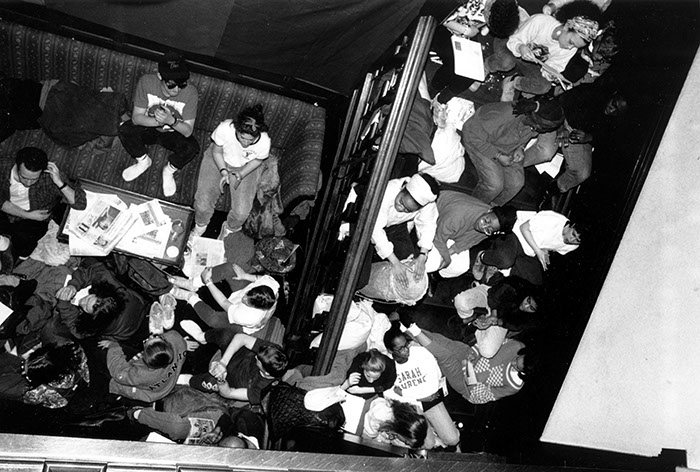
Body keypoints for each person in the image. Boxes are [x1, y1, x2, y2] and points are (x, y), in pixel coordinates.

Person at [523, 82, 629, 208]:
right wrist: (561, 127)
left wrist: (589, 137)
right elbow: (559, 103)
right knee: (546, 152)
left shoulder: (615, 119)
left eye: (617, 112)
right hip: (559, 119)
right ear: (613, 95)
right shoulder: (591, 91)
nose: (612, 110)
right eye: (614, 105)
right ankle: (514, 163)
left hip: (576, 135)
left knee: (582, 173)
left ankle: (549, 191)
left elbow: (606, 139)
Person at [119, 51, 200, 197]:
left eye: (181, 85)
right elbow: (137, 118)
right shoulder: (147, 81)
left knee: (192, 147)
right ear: (160, 77)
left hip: (173, 133)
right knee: (125, 129)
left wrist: (171, 121)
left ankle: (168, 170)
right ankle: (143, 161)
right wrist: (158, 121)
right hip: (149, 127)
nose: (176, 90)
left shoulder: (191, 92)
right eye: (171, 85)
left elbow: (188, 131)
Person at [190, 104, 271, 243]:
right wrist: (224, 171)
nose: (245, 143)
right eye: (242, 137)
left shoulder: (264, 141)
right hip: (218, 158)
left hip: (246, 165)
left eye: (250, 140)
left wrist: (240, 174)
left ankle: (227, 231)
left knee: (241, 214)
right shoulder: (225, 128)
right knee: (202, 203)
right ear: (237, 129)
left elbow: (258, 160)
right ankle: (200, 228)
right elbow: (216, 151)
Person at [462, 98, 564, 206]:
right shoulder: (503, 115)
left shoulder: (533, 121)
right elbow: (471, 133)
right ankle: (472, 207)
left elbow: (525, 136)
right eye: (540, 128)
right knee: (494, 185)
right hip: (480, 142)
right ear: (536, 123)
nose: (537, 131)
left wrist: (520, 147)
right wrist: (497, 155)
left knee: (516, 184)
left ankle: (491, 208)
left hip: (505, 146)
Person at [404, 323, 529, 404]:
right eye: (517, 357)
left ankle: (408, 331)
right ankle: (403, 328)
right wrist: (474, 352)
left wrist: (466, 367)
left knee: (445, 357)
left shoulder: (514, 386)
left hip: (465, 383)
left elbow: (479, 396)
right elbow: (491, 344)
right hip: (469, 355)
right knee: (439, 340)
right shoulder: (517, 346)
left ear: (524, 373)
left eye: (516, 366)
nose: (512, 361)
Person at [0, 147, 86, 258]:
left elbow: (80, 203)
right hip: (7, 211)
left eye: (34, 179)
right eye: (24, 177)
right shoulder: (3, 166)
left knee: (23, 249)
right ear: (16, 165)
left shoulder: (49, 176)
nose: (28, 182)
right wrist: (26, 214)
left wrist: (59, 182)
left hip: (35, 219)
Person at [494, 10, 601, 100]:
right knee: (506, 62)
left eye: (575, 47)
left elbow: (554, 65)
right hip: (509, 42)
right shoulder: (541, 22)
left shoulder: (571, 49)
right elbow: (513, 40)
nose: (570, 48)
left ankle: (513, 82)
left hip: (530, 61)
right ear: (567, 26)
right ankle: (486, 66)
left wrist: (550, 74)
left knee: (543, 86)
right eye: (571, 42)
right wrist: (520, 47)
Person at [382, 326, 460, 449]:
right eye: (400, 349)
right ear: (390, 351)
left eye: (406, 345)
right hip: (412, 406)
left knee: (453, 439)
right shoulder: (387, 364)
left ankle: (433, 430)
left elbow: (433, 385)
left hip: (430, 401)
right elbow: (389, 394)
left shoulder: (421, 353)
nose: (406, 350)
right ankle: (431, 433)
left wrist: (405, 393)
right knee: (427, 445)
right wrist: (420, 398)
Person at [130, 385, 263, 447]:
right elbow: (230, 412)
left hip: (198, 447)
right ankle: (138, 413)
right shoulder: (251, 425)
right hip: (218, 417)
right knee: (179, 428)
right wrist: (218, 430)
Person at [475, 209, 582, 285]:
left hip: (530, 252)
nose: (572, 240)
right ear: (571, 225)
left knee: (536, 281)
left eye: (577, 240)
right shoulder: (553, 219)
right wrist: (538, 251)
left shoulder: (572, 246)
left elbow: (549, 246)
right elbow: (523, 228)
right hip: (516, 236)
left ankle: (501, 266)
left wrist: (543, 252)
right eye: (573, 234)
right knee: (506, 260)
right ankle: (483, 256)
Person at [370, 173, 440, 289]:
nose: (401, 208)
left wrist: (423, 256)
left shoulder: (427, 204)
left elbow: (428, 225)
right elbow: (375, 229)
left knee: (407, 260)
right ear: (403, 188)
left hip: (395, 226)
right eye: (401, 202)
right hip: (369, 221)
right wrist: (395, 262)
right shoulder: (387, 190)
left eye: (408, 210)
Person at [426, 191, 517, 278]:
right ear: (488, 211)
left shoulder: (488, 229)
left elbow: (465, 243)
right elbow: (438, 239)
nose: (483, 226)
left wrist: (447, 255)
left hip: (450, 232)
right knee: (432, 263)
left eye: (489, 229)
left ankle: (435, 275)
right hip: (432, 221)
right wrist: (446, 258)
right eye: (486, 220)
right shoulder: (458, 215)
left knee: (461, 267)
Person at [170, 262, 279, 333]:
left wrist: (208, 282)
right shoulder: (271, 284)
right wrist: (245, 276)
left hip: (239, 323)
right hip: (237, 297)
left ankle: (190, 297)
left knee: (213, 319)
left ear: (253, 306)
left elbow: (223, 301)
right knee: (229, 268)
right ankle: (193, 284)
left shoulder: (245, 316)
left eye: (247, 302)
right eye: (248, 294)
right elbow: (260, 278)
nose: (244, 298)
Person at [189, 331, 287, 406]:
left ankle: (188, 380)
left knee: (209, 382)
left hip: (234, 379)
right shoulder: (275, 352)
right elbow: (241, 338)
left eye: (259, 359)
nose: (256, 356)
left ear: (267, 373)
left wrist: (221, 380)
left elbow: (228, 393)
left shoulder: (262, 392)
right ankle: (202, 336)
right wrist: (223, 363)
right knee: (226, 335)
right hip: (242, 357)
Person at [454, 275, 539, 358]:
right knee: (461, 301)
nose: (526, 305)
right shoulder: (518, 287)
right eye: (528, 300)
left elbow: (514, 324)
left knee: (487, 352)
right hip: (490, 296)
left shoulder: (533, 318)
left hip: (500, 317)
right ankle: (468, 316)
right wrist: (493, 314)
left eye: (531, 308)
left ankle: (476, 324)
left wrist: (495, 321)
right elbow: (495, 295)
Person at [101, 330, 188, 403]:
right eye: (156, 337)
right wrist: (184, 343)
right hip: (166, 384)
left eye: (146, 343)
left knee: (115, 383)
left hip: (149, 394)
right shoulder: (177, 341)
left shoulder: (141, 374)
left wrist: (113, 346)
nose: (150, 337)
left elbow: (118, 373)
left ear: (145, 360)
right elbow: (179, 340)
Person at [0, 342, 89, 409]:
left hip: (55, 397)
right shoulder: (78, 357)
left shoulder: (38, 393)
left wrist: (18, 358)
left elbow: (28, 398)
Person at [362, 397, 431, 450]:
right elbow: (368, 435)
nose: (404, 442)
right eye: (406, 441)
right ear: (403, 431)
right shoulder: (380, 416)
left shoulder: (402, 412)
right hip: (363, 424)